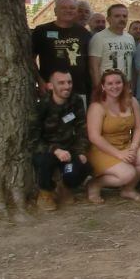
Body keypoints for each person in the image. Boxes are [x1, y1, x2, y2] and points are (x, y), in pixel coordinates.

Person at [86, 69, 140, 204]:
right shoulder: (97, 106)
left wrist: (133, 148)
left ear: (124, 84)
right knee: (128, 173)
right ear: (103, 86)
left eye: (118, 82)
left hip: (125, 145)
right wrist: (119, 154)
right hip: (102, 149)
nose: (114, 86)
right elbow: (94, 137)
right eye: (110, 83)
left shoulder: (132, 101)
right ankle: (95, 184)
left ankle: (128, 189)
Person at [29, 69, 90, 211]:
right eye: (61, 83)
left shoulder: (76, 101)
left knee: (82, 167)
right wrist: (55, 150)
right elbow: (33, 139)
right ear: (50, 86)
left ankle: (64, 187)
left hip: (69, 149)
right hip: (47, 149)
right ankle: (45, 192)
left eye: (69, 82)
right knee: (44, 162)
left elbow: (82, 129)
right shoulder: (42, 106)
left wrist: (80, 151)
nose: (67, 86)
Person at [31, 0, 91, 99]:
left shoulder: (84, 33)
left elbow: (90, 63)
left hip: (78, 91)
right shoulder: (42, 31)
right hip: (50, 90)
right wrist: (40, 81)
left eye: (72, 8)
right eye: (64, 7)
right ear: (55, 11)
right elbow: (30, 59)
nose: (68, 10)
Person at [88, 3, 135, 89]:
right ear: (108, 19)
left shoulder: (130, 38)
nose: (122, 19)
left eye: (124, 16)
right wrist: (100, 90)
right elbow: (94, 68)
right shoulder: (99, 38)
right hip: (108, 88)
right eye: (117, 16)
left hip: (125, 88)